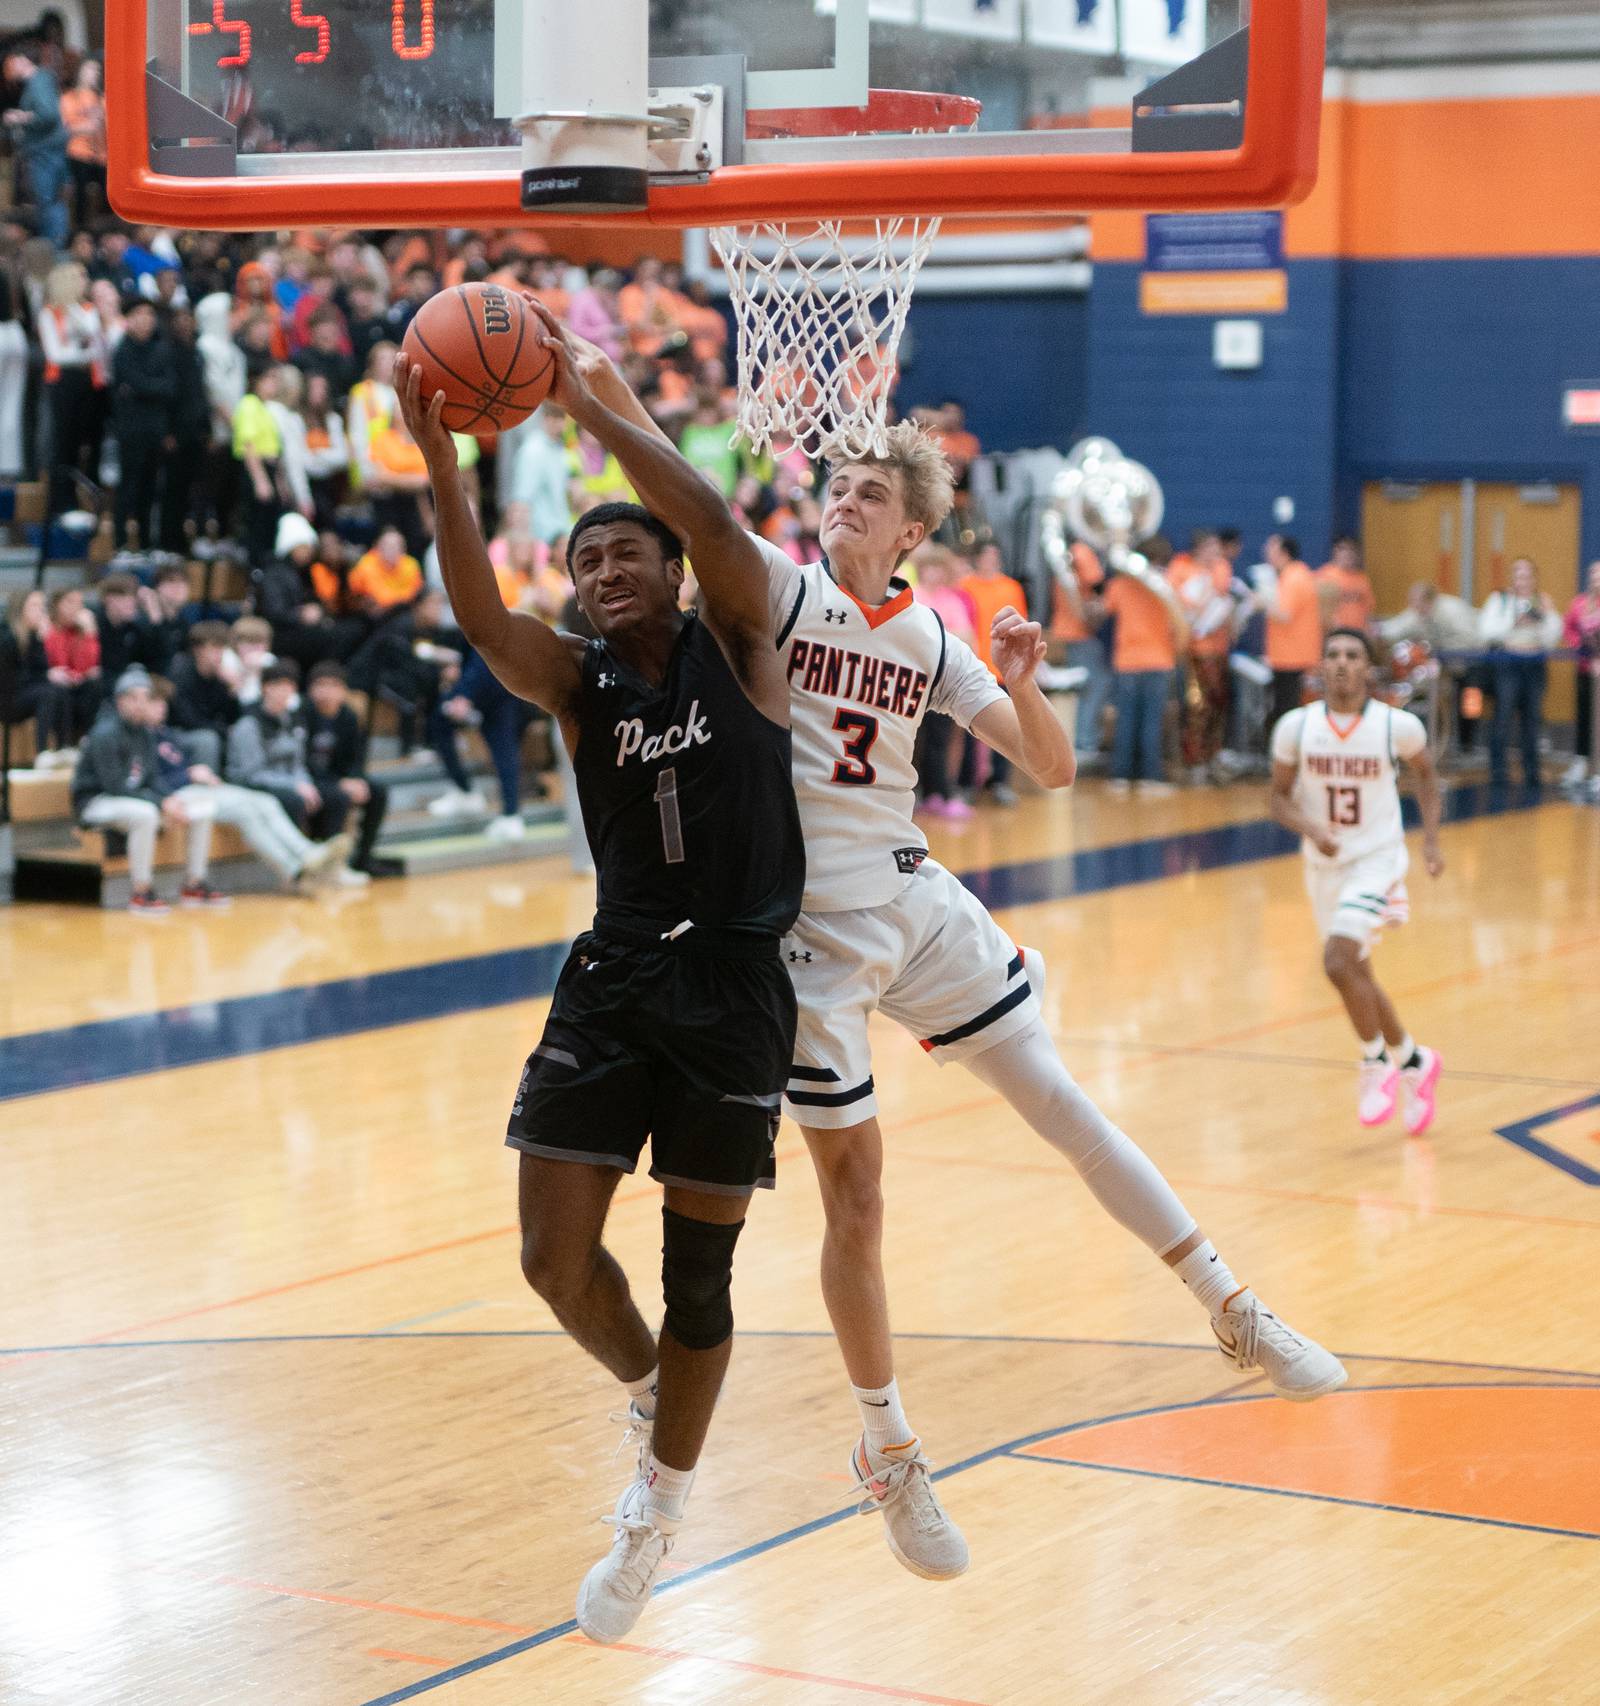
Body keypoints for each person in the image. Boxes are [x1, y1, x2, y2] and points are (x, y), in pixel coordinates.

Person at [555, 312, 1348, 1587]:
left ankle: (1231, 1305)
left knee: (1065, 1103)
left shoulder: (928, 636)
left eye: (872, 495)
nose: (846, 502)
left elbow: (1051, 766)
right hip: (805, 942)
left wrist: (1021, 679)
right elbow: (695, 507)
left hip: (914, 899)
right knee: (857, 1197)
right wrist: (604, 405)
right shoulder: (778, 587)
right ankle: (889, 1449)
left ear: (913, 530)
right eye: (839, 486)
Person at [395, 340, 806, 1647]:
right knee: (549, 1258)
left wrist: (592, 409)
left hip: (735, 983)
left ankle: (656, 1512)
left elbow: (716, 518)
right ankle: (649, 1392)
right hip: (617, 971)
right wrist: (445, 469)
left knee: (700, 1280)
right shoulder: (578, 682)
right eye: (585, 560)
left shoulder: (741, 639)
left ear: (676, 572)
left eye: (627, 552)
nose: (604, 570)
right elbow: (483, 623)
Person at [1269, 628, 1445, 1135]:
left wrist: (1431, 842)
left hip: (1377, 859)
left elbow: (1427, 777)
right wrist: (1312, 829)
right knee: (1356, 974)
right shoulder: (1296, 727)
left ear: (1367, 668)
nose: (1342, 663)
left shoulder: (1396, 725)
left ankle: (1374, 1062)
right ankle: (1414, 1061)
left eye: (1352, 655)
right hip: (1324, 866)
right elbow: (1277, 798)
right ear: (1321, 666)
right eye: (1333, 655)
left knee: (1336, 961)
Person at [145, 673, 351, 893]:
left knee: (265, 801)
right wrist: (188, 775)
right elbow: (147, 779)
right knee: (246, 811)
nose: (162, 708)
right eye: (155, 702)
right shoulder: (142, 738)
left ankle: (307, 853)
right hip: (175, 794)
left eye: (163, 703)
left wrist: (198, 773)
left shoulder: (165, 733)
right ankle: (295, 871)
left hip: (196, 786)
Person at [70, 667, 213, 914]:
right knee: (145, 814)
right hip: (96, 801)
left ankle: (194, 884)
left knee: (201, 808)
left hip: (132, 799)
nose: (139, 704)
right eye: (133, 698)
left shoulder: (145, 733)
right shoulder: (104, 733)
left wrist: (170, 799)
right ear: (120, 701)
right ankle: (141, 892)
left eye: (145, 698)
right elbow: (114, 786)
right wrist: (160, 803)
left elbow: (152, 779)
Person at [1089, 545, 1186, 796]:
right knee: (1151, 722)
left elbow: (1099, 613)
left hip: (1128, 661)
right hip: (1158, 660)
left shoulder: (1120, 585)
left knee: (1126, 721)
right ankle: (1150, 778)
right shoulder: (1166, 585)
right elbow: (1180, 621)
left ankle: (1120, 777)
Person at [300, 662, 395, 880]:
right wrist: (339, 782)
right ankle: (332, 865)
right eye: (321, 685)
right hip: (309, 778)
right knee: (338, 796)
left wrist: (355, 779)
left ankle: (363, 858)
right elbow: (301, 761)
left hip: (338, 777)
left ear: (343, 690)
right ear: (310, 689)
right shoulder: (302, 715)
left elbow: (357, 758)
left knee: (377, 791)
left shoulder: (349, 717)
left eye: (333, 685)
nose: (327, 691)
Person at [1478, 557, 1562, 787]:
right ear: (1512, 578)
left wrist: (1546, 615)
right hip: (1508, 664)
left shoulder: (1542, 601)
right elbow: (1486, 632)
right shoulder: (1500, 600)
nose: (1522, 581)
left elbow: (1552, 638)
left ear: (1534, 579)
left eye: (1527, 576)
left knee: (1532, 720)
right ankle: (1498, 772)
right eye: (1518, 575)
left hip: (1534, 664)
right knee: (1502, 717)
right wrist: (1514, 621)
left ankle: (1532, 772)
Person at [957, 542, 1029, 805]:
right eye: (987, 556)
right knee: (969, 727)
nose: (991, 560)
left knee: (1005, 729)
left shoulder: (1011, 587)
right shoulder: (966, 585)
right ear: (978, 559)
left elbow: (1020, 625)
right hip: (972, 667)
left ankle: (999, 782)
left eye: (995, 556)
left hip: (1002, 669)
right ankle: (966, 783)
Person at [37, 260, 107, 514]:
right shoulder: (49, 313)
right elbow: (55, 355)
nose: (85, 281)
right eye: (80, 276)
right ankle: (59, 503)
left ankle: (80, 500)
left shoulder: (86, 309)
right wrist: (84, 353)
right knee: (62, 443)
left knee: (81, 443)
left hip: (87, 383)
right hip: (62, 382)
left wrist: (81, 350)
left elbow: (96, 339)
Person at [109, 297, 175, 550]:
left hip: (155, 429)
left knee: (151, 487)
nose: (146, 320)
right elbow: (134, 383)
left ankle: (147, 543)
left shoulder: (161, 349)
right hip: (130, 429)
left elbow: (169, 387)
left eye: (149, 314)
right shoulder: (123, 351)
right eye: (139, 314)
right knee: (128, 486)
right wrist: (149, 388)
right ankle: (120, 543)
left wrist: (144, 389)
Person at [3, 48, 69, 248]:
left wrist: (20, 117)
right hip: (49, 151)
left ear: (22, 60)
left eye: (10, 63)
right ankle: (55, 246)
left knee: (48, 202)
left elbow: (48, 114)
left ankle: (53, 249)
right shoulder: (40, 81)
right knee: (53, 202)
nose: (7, 70)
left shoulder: (38, 81)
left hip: (44, 153)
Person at [1259, 534, 1322, 728]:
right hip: (1289, 655)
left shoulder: (1293, 578)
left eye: (1270, 550)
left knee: (1288, 712)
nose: (1265, 554)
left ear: (1284, 553)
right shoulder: (1295, 574)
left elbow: (1284, 615)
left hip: (1292, 657)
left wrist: (1261, 601)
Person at [40, 584, 101, 759]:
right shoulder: (48, 629)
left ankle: (89, 742)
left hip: (78, 685)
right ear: (56, 604)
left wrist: (89, 633)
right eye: (70, 602)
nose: (76, 608)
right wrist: (50, 634)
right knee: (61, 689)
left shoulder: (82, 631)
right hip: (55, 685)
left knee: (96, 684)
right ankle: (63, 747)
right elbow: (57, 661)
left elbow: (87, 666)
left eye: (79, 603)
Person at [1560, 561, 1600, 788]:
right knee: (1584, 717)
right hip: (1585, 670)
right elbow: (1568, 628)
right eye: (1594, 575)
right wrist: (1579, 646)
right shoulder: (1580, 604)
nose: (1597, 579)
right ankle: (1581, 761)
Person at [59, 57, 105, 228]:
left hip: (101, 155)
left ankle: (104, 229)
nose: (93, 74)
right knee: (80, 194)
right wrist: (86, 126)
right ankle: (80, 229)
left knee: (108, 193)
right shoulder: (69, 97)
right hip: (78, 153)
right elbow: (64, 127)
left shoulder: (102, 99)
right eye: (89, 70)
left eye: (96, 70)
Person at [1316, 536, 1377, 634]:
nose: (1349, 553)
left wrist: (1369, 629)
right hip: (1335, 632)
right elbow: (1320, 608)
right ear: (1335, 551)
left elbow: (1368, 607)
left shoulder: (1361, 578)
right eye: (1344, 549)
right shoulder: (1325, 575)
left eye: (1352, 550)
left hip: (1359, 633)